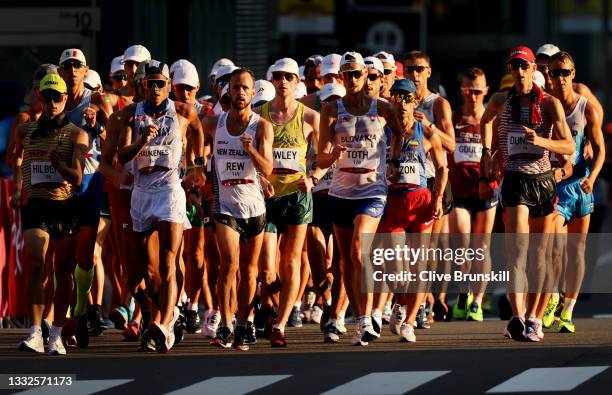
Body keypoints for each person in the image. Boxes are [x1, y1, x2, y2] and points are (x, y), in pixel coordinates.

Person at [480, 46, 574, 342]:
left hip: (543, 181)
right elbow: (485, 121)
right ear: (510, 69)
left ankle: (535, 318)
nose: (519, 71)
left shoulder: (548, 104)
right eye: (514, 66)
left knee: (540, 256)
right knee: (518, 252)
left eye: (524, 66)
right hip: (515, 179)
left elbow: (568, 147)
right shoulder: (499, 100)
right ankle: (518, 317)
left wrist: (541, 140)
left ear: (534, 68)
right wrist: (488, 153)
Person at [117, 60, 205, 353]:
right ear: (143, 86)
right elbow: (122, 155)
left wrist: (196, 164)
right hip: (141, 193)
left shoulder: (183, 110)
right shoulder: (133, 114)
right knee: (141, 275)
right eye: (150, 83)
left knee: (169, 260)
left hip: (169, 191)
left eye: (160, 83)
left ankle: (162, 324)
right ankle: (161, 312)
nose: (155, 88)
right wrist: (143, 139)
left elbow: (197, 130)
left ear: (169, 84)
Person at [318, 51, 403, 346]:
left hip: (372, 189)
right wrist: (332, 155)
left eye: (357, 74)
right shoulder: (331, 109)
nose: (352, 79)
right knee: (344, 263)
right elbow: (321, 154)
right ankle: (359, 317)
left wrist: (392, 161)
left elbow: (400, 133)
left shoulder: (382, 107)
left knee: (358, 251)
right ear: (340, 77)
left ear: (367, 76)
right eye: (347, 74)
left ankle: (366, 317)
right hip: (341, 191)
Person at [12, 74, 88, 355]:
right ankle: (34, 332)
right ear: (40, 98)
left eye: (58, 97)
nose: (53, 102)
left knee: (63, 271)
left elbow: (78, 178)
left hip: (64, 207)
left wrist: (60, 165)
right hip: (37, 205)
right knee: (35, 263)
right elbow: (16, 157)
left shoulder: (77, 134)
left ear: (66, 99)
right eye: (48, 97)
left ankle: (55, 333)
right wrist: (18, 187)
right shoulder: (25, 131)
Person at [536, 51, 604, 335]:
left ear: (573, 74)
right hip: (555, 186)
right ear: (548, 75)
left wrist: (594, 176)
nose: (560, 78)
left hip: (581, 184)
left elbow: (600, 148)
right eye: (555, 73)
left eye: (565, 73)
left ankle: (568, 310)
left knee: (577, 250)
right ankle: (551, 297)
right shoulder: (544, 105)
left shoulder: (585, 106)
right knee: (555, 248)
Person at [257, 57, 322, 347]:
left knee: (292, 261)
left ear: (297, 82)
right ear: (272, 80)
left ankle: (280, 325)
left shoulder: (310, 117)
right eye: (278, 76)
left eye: (288, 77)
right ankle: (271, 308)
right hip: (268, 196)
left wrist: (314, 177)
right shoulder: (259, 115)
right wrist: (259, 178)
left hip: (298, 195)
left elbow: (327, 155)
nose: (283, 81)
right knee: (266, 268)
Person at [207, 68, 274, 350]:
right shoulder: (215, 123)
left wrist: (251, 151)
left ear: (252, 92)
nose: (240, 92)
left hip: (254, 205)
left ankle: (244, 323)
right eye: (235, 87)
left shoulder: (261, 126)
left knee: (249, 271)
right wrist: (197, 167)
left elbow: (268, 167)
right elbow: (191, 132)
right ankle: (225, 323)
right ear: (228, 91)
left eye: (245, 88)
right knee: (227, 266)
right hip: (225, 203)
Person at [378, 78, 447, 343]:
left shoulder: (426, 132)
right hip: (393, 202)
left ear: (415, 101)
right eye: (397, 97)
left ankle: (408, 321)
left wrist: (439, 197)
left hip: (420, 201)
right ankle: (400, 300)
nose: (402, 102)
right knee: (396, 265)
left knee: (420, 264)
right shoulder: (383, 131)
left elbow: (442, 168)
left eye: (407, 98)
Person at [445, 67, 499, 323]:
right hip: (460, 191)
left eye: (478, 91)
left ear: (486, 91)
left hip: (486, 189)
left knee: (482, 246)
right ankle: (465, 293)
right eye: (468, 91)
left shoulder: (492, 120)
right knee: (463, 245)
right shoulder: (454, 117)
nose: (473, 96)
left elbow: (501, 151)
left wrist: (491, 177)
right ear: (462, 90)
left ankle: (477, 301)